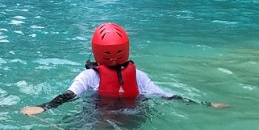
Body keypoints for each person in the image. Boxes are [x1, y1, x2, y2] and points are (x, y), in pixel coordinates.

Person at [20, 22, 229, 115]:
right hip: (134, 112)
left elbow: (69, 95)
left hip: (99, 113)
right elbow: (167, 96)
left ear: (96, 51)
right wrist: (205, 104)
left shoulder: (89, 76)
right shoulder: (139, 76)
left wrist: (44, 107)